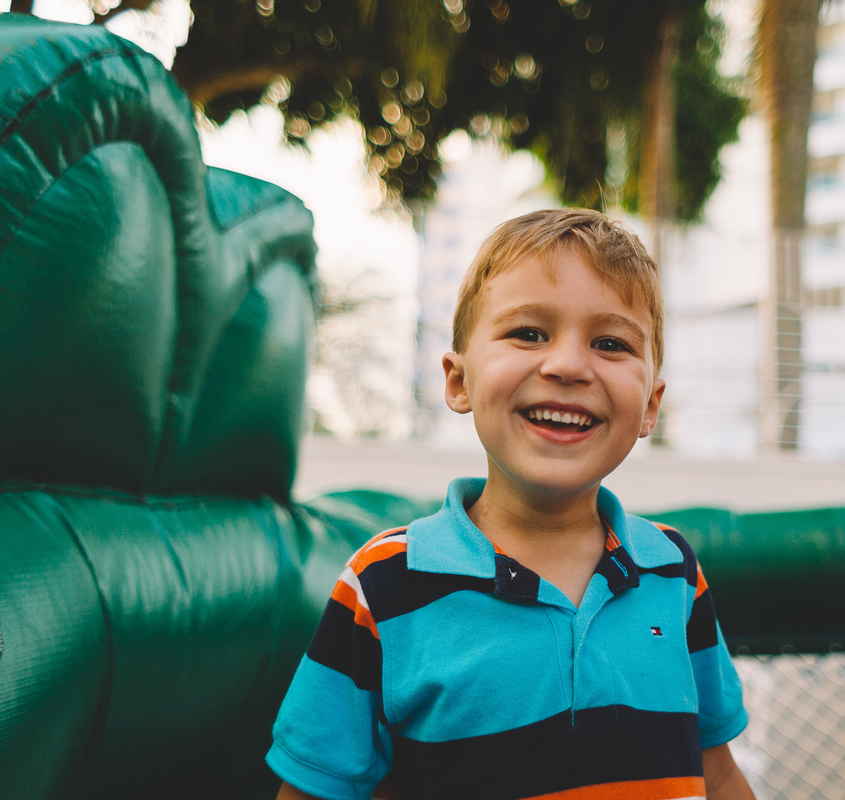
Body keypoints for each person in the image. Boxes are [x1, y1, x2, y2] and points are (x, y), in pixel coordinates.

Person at [266, 209, 755, 800]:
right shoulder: (384, 585)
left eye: (610, 343)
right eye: (528, 333)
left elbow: (719, 774)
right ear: (458, 381)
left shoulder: (672, 571)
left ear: (650, 405)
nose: (569, 366)